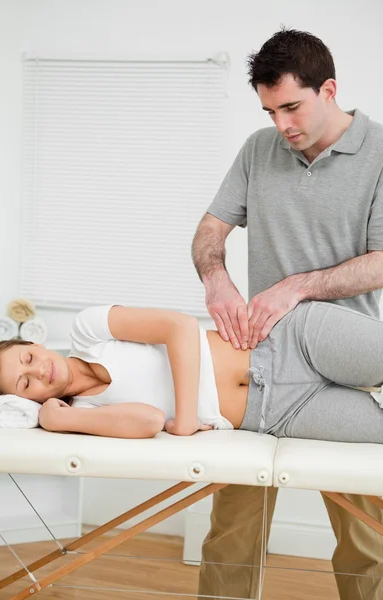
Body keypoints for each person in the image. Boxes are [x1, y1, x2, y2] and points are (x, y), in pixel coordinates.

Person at [191, 27, 383, 600]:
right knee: (232, 528)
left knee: (366, 532)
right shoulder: (259, 149)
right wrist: (216, 277)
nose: (282, 125)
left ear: (328, 90)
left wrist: (297, 288)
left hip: (347, 359)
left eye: (292, 107)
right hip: (261, 369)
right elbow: (209, 230)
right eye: (270, 110)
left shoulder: (379, 154)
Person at [0, 301, 383, 444]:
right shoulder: (84, 415)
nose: (39, 371)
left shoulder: (88, 329)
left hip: (291, 341)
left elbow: (179, 327)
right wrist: (62, 417)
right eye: (26, 384)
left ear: (31, 344)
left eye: (27, 359)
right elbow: (150, 420)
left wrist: (188, 419)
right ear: (25, 402)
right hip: (276, 414)